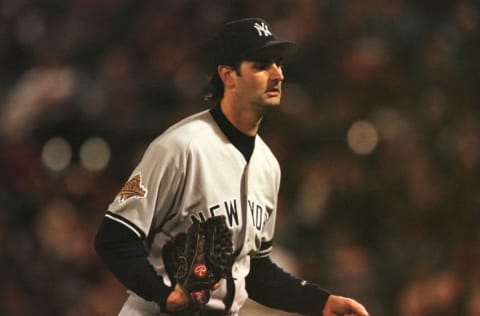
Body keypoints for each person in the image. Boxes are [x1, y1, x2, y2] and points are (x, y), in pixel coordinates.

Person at [95, 17, 369, 316]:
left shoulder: (268, 165)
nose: (277, 74)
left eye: (278, 63)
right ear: (228, 75)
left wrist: (321, 302)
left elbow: (255, 272)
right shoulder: (181, 147)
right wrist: (161, 294)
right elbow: (115, 237)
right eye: (262, 65)